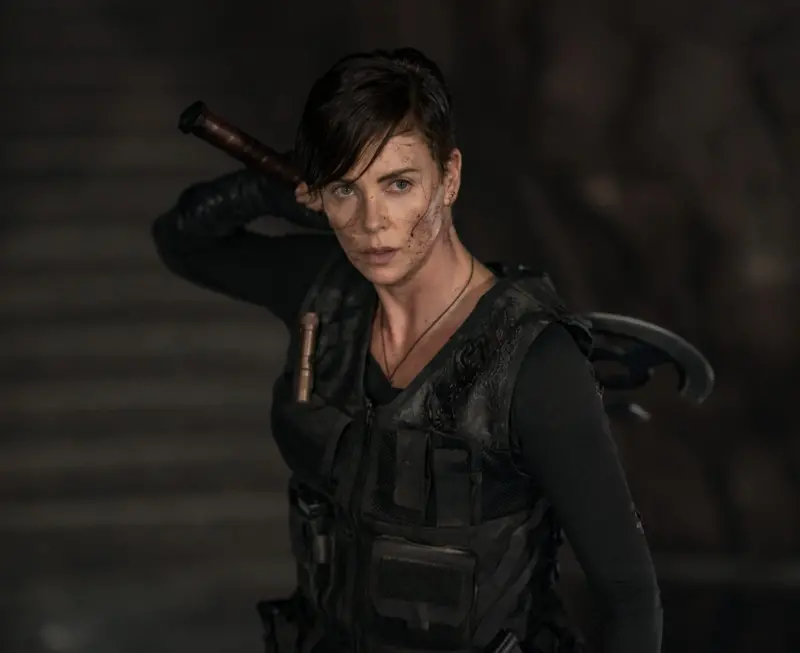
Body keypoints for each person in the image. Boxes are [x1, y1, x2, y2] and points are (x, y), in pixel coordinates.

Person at [152, 48, 662, 653]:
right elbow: (182, 241)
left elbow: (630, 602)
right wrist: (272, 190)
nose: (373, 222)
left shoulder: (536, 362)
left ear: (449, 178)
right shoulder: (326, 292)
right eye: (346, 188)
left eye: (398, 184)